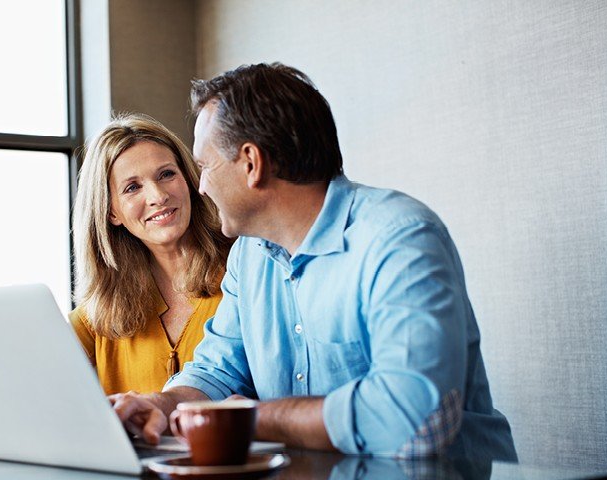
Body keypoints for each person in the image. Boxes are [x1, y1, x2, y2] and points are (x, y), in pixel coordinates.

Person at [110, 64, 517, 461]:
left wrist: (257, 418)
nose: (201, 186)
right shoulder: (249, 258)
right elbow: (218, 371)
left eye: (205, 166)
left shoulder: (399, 237)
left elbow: (413, 417)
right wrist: (162, 406)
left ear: (252, 164)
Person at [70, 113, 232, 395]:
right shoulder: (99, 311)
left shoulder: (243, 269)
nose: (158, 195)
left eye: (167, 174)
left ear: (188, 181)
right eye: (132, 187)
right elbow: (28, 374)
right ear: (111, 211)